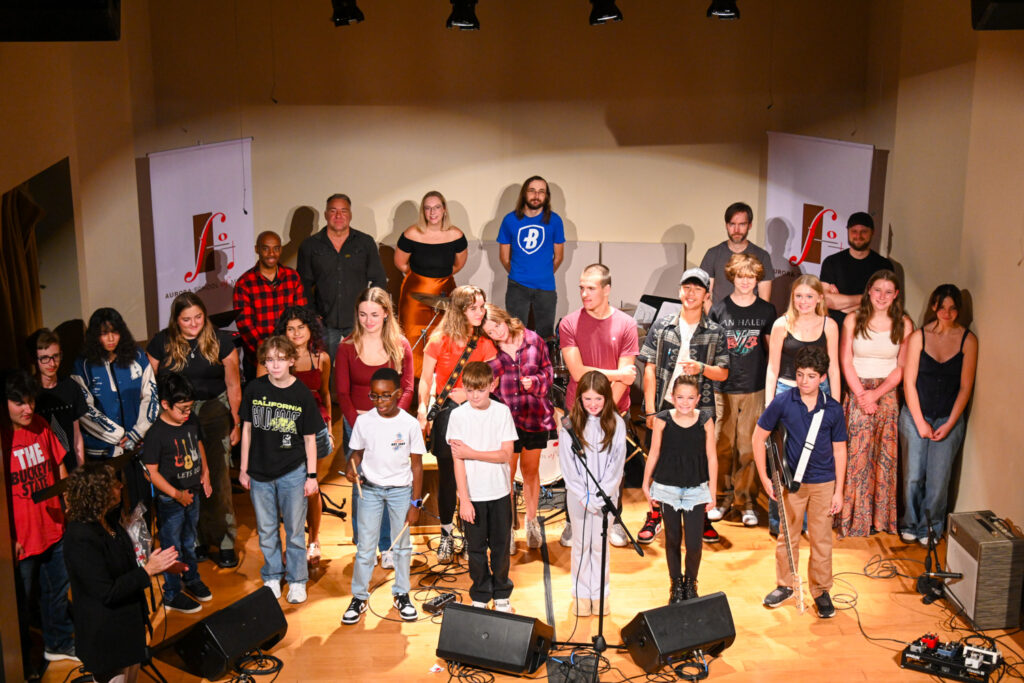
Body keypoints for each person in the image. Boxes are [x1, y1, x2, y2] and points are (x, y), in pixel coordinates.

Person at [146, 292, 241, 569]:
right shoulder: (161, 342)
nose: (194, 323)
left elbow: (233, 384)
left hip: (213, 411)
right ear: (176, 320)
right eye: (186, 319)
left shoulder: (220, 340)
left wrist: (236, 421)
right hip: (177, 416)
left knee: (218, 477)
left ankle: (224, 540)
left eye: (198, 317)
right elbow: (148, 385)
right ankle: (195, 539)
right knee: (186, 476)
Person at [753, 346, 847, 619]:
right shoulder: (783, 402)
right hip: (791, 482)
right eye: (800, 374)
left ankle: (821, 590)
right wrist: (765, 477)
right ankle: (785, 585)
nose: (804, 381)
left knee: (821, 539)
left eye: (811, 376)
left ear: (823, 378)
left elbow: (840, 450)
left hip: (823, 483)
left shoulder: (833, 409)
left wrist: (839, 491)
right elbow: (758, 438)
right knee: (787, 536)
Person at [63, 464, 180, 683]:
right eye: (114, 484)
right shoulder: (80, 537)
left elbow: (123, 568)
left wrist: (158, 565)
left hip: (127, 630)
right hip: (107, 638)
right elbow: (106, 592)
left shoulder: (108, 521)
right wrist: (148, 570)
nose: (121, 486)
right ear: (98, 493)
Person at [639, 267, 728, 544]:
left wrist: (702, 368)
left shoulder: (715, 331)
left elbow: (723, 373)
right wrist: (651, 409)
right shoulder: (662, 325)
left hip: (700, 409)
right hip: (665, 405)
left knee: (699, 461)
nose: (691, 294)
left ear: (706, 295)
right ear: (679, 291)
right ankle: (655, 514)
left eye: (697, 289)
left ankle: (700, 515)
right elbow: (649, 368)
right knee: (658, 459)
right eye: (687, 288)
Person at [240, 336, 324, 604]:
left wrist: (311, 476)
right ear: (263, 363)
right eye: (269, 360)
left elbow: (310, 439)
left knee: (295, 530)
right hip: (259, 472)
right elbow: (247, 430)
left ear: (291, 360)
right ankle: (273, 575)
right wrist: (243, 469)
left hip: (292, 471)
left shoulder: (301, 393)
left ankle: (298, 580)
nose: (275, 365)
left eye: (280, 359)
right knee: (266, 530)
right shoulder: (254, 389)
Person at [417, 285, 498, 563]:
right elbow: (425, 379)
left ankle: (471, 533)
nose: (480, 312)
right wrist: (422, 406)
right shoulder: (439, 340)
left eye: (482, 306)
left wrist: (472, 394)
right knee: (448, 477)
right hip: (448, 413)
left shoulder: (485, 342)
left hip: (477, 413)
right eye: (474, 308)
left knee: (473, 476)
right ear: (459, 310)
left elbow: (494, 381)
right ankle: (446, 534)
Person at [559, 264, 638, 547]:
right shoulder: (569, 323)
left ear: (607, 290)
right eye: (581, 287)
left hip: (614, 409)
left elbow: (627, 377)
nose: (584, 293)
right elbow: (578, 373)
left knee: (614, 469)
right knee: (576, 467)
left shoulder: (626, 324)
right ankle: (572, 522)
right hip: (578, 410)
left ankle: (614, 521)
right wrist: (617, 375)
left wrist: (606, 412)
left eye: (590, 288)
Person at [3, 371, 76, 676]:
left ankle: (58, 642)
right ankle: (24, 662)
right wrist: (8, 539)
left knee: (57, 591)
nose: (28, 408)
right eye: (19, 403)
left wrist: (67, 505)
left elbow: (58, 465)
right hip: (21, 539)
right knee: (20, 607)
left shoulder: (42, 425)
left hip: (53, 527)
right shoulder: (4, 438)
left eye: (31, 401)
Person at [336, 287, 415, 566]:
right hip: (358, 425)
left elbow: (407, 387)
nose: (368, 320)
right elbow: (342, 393)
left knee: (391, 485)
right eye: (362, 315)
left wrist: (392, 420)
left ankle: (388, 545)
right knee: (363, 486)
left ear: (385, 314)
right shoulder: (347, 347)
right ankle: (365, 545)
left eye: (373, 314)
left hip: (392, 426)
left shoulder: (400, 345)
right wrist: (362, 426)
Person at [341, 368, 425, 625]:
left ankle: (401, 594)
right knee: (366, 547)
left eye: (386, 395)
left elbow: (417, 466)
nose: (379, 401)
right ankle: (359, 596)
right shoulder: (364, 421)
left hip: (401, 491)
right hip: (370, 490)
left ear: (398, 394)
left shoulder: (409, 424)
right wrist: (350, 468)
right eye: (374, 396)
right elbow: (356, 454)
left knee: (402, 546)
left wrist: (415, 503)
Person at [900, 284, 977, 545]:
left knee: (939, 478)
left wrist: (951, 422)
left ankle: (930, 528)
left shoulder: (968, 340)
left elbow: (965, 387)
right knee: (913, 475)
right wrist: (920, 422)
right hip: (915, 414)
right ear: (934, 306)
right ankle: (910, 523)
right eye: (942, 307)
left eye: (952, 308)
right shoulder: (919, 337)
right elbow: (909, 383)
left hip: (948, 416)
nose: (947, 312)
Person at [763, 275, 840, 535]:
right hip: (786, 391)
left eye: (809, 296)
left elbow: (834, 368)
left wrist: (835, 405)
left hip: (819, 394)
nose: (803, 301)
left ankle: (807, 522)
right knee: (783, 457)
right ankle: (780, 521)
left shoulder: (829, 325)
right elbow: (772, 368)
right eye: (798, 296)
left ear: (819, 298)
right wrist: (770, 403)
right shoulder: (781, 324)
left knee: (814, 455)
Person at [838, 270, 912, 537]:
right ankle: (853, 518)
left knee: (884, 456)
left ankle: (879, 519)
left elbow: (902, 366)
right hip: (857, 388)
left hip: (887, 393)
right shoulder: (853, 319)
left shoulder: (904, 323)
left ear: (896, 295)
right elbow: (845, 360)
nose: (882, 296)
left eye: (888, 292)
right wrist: (861, 394)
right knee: (857, 455)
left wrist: (877, 393)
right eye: (878, 290)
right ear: (869, 290)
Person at [708, 255, 775, 528]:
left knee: (748, 447)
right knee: (722, 446)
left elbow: (772, 352)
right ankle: (721, 498)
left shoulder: (767, 311)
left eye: (751, 277)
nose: (745, 282)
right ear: (731, 277)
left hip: (754, 387)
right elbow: (711, 351)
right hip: (723, 388)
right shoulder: (719, 310)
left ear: (757, 279)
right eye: (740, 276)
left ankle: (747, 502)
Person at [482, 304, 555, 553]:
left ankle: (532, 521)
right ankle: (507, 528)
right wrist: (489, 385)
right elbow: (483, 381)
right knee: (506, 475)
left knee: (530, 471)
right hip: (505, 422)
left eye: (497, 325)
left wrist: (534, 382)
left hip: (534, 416)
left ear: (505, 319)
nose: (497, 333)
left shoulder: (533, 340)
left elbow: (548, 373)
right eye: (490, 332)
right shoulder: (490, 351)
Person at [447, 362, 519, 611]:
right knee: (475, 549)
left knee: (500, 547)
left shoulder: (502, 412)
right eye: (469, 391)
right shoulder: (458, 416)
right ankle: (480, 593)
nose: (475, 396)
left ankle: (501, 593)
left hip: (499, 493)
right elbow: (458, 461)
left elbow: (506, 455)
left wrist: (472, 452)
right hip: (473, 495)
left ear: (492, 385)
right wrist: (464, 499)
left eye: (480, 390)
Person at [267, 306, 335, 565]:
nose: (296, 333)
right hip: (287, 431)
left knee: (311, 487)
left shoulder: (322, 358)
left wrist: (330, 429)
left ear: (310, 329)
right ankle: (293, 545)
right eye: (290, 329)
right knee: (290, 490)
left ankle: (314, 541)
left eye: (301, 327)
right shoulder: (276, 360)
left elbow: (325, 394)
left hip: (315, 429)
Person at [71, 308, 159, 509]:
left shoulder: (137, 355)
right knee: (108, 506)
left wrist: (137, 432)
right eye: (104, 333)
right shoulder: (82, 364)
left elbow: (151, 395)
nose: (111, 338)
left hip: (138, 446)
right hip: (102, 452)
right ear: (95, 335)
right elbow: (84, 409)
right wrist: (117, 435)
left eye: (115, 332)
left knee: (143, 504)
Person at [142, 372, 213, 613]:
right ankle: (172, 592)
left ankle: (191, 578)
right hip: (171, 500)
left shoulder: (191, 421)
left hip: (192, 494)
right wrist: (176, 494)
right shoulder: (156, 434)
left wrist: (205, 473)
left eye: (190, 408)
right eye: (182, 409)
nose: (187, 413)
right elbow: (151, 472)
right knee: (172, 547)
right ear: (165, 404)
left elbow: (199, 444)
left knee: (189, 541)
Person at [642, 375, 716, 604]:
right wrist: (646, 483)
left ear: (698, 398)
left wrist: (713, 491)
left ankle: (690, 583)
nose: (685, 402)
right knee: (673, 539)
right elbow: (654, 452)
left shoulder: (705, 420)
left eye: (690, 398)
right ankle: (676, 583)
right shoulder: (662, 419)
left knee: (693, 543)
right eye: (680, 397)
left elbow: (712, 456)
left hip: (696, 488)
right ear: (672, 398)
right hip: (667, 487)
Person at [559, 371, 626, 616]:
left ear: (607, 398)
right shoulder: (569, 425)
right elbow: (567, 466)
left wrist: (600, 495)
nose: (593, 404)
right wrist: (583, 495)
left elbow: (616, 465)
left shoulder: (616, 423)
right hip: (578, 497)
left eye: (598, 399)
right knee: (581, 545)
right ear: (579, 399)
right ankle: (581, 595)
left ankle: (600, 595)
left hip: (605, 498)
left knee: (599, 546)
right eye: (587, 399)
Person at [297, 193, 388, 360]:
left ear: (350, 215)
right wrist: (312, 315)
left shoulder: (365, 243)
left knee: (361, 365)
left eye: (343, 211)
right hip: (324, 322)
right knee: (324, 369)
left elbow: (379, 279)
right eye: (333, 211)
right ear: (326, 214)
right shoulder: (310, 245)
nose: (338, 216)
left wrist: (370, 311)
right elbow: (303, 285)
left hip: (359, 321)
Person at [395, 191, 468, 377]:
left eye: (436, 207)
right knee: (412, 335)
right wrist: (422, 279)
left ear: (444, 210)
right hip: (414, 294)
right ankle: (413, 380)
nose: (432, 212)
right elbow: (400, 263)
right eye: (428, 208)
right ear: (423, 211)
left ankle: (439, 381)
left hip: (444, 291)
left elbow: (459, 264)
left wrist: (438, 278)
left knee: (443, 335)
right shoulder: (411, 233)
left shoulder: (456, 234)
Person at [497, 175, 566, 339]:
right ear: (524, 193)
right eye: (532, 191)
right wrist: (519, 273)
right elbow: (504, 258)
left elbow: (559, 257)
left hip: (546, 288)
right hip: (517, 287)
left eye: (541, 191)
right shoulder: (510, 220)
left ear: (546, 196)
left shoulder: (555, 221)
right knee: (515, 335)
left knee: (545, 336)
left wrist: (544, 273)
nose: (536, 195)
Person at [233, 230, 307, 380]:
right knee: (260, 395)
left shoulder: (292, 277)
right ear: (257, 249)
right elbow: (244, 323)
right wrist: (266, 351)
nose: (271, 253)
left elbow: (300, 314)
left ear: (281, 250)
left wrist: (291, 347)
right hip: (258, 358)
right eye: (266, 248)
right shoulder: (244, 283)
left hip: (289, 354)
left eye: (276, 248)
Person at [820, 212, 895, 327]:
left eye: (864, 231)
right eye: (854, 231)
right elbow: (826, 301)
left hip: (868, 328)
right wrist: (866, 298)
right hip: (835, 328)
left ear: (872, 232)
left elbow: (883, 303)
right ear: (848, 231)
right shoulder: (832, 262)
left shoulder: (884, 265)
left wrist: (841, 303)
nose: (858, 236)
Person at [27, 327, 86, 470]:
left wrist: (81, 468)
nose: (52, 364)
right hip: (43, 468)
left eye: (56, 356)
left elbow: (76, 435)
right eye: (45, 358)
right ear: (34, 359)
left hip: (71, 465)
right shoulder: (29, 392)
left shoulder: (71, 387)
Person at [699, 202, 775, 309]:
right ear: (726, 225)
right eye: (732, 224)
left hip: (750, 317)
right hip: (718, 317)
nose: (736, 230)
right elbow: (704, 295)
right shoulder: (713, 254)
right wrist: (714, 318)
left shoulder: (762, 256)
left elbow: (764, 301)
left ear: (750, 225)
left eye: (742, 224)